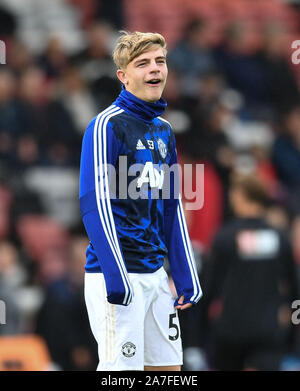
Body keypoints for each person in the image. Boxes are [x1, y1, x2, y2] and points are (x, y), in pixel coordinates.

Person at [79, 31, 202, 371]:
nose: (154, 69)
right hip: (117, 274)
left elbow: (170, 206)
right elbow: (94, 203)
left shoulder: (164, 130)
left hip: (155, 274)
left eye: (160, 61)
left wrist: (184, 272)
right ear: (124, 76)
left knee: (167, 372)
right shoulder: (106, 125)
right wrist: (115, 273)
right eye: (143, 63)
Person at [200, 175, 298, 371]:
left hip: (230, 329)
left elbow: (209, 287)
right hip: (268, 329)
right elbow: (294, 286)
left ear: (240, 197)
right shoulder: (279, 236)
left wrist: (201, 333)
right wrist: (293, 326)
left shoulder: (225, 237)